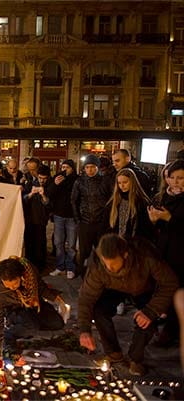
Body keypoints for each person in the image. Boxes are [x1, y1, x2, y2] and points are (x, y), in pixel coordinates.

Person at [78, 234, 177, 376]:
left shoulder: (146, 256)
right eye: (106, 263)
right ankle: (113, 353)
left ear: (125, 255)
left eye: (113, 263)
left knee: (147, 321)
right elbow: (86, 297)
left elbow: (170, 282)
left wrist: (151, 310)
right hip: (114, 288)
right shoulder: (98, 265)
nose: (109, 267)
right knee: (99, 310)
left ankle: (135, 359)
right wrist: (84, 329)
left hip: (144, 287)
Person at [0, 257, 67, 369]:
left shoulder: (29, 271)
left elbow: (40, 287)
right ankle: (9, 334)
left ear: (21, 276)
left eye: (15, 284)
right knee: (31, 327)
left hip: (33, 302)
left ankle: (30, 321)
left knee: (57, 323)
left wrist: (56, 299)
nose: (12, 288)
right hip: (14, 309)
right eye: (8, 286)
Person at [147, 159, 184, 346]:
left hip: (181, 253)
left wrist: (170, 218)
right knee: (162, 287)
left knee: (177, 290)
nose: (176, 182)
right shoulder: (161, 197)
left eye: (181, 178)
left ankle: (171, 331)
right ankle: (162, 318)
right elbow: (155, 227)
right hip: (162, 251)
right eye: (173, 177)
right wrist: (154, 220)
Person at [71, 154, 112, 276]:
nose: (90, 170)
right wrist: (78, 220)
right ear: (84, 168)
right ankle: (82, 275)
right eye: (87, 167)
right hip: (85, 222)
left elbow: (110, 201)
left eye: (93, 167)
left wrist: (106, 220)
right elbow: (74, 200)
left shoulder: (105, 181)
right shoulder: (79, 181)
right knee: (83, 252)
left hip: (101, 223)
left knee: (101, 251)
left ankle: (101, 275)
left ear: (97, 167)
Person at [48, 159, 78, 279]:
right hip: (59, 215)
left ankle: (71, 267)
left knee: (71, 244)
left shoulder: (77, 179)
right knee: (58, 243)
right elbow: (49, 193)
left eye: (68, 167)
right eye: (63, 167)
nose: (65, 169)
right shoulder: (57, 177)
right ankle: (60, 266)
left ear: (73, 168)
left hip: (72, 216)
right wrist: (55, 184)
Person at [107, 168, 153, 241]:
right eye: (119, 183)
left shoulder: (141, 202)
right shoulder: (114, 201)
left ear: (132, 182)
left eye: (125, 182)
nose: (122, 185)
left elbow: (145, 227)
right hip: (116, 243)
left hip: (134, 243)